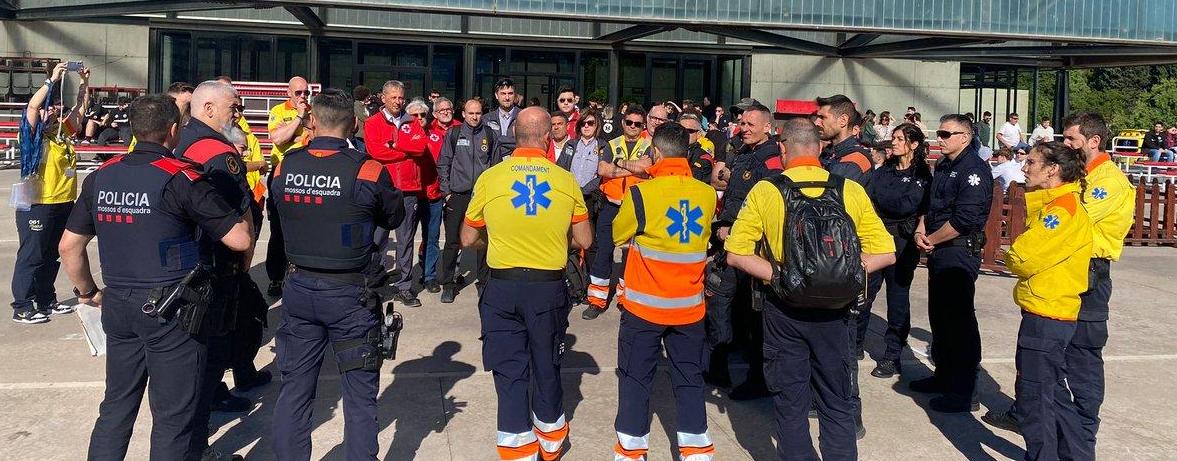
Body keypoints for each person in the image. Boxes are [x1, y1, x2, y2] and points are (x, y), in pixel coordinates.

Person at [59, 93, 253, 461]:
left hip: (117, 303)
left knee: (116, 407)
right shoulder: (181, 178)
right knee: (173, 418)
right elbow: (239, 238)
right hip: (172, 311)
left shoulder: (102, 174)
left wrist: (87, 293)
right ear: (173, 130)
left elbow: (69, 247)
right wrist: (239, 199)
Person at [726, 119, 896, 461]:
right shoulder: (849, 190)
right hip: (836, 314)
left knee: (791, 403)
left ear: (784, 149)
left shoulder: (767, 189)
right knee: (837, 400)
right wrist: (841, 274)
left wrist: (779, 276)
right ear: (819, 149)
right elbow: (886, 252)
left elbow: (736, 254)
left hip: (784, 310)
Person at [270, 89, 405, 461]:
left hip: (298, 289)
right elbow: (394, 216)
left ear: (311, 121)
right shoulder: (368, 168)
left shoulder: (286, 165)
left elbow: (277, 207)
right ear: (356, 124)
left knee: (295, 389)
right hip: (350, 294)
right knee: (359, 393)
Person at [988, 113, 1133, 459]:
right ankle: (1056, 433)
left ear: (1093, 141)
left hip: (1087, 274)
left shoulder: (1107, 181)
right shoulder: (1080, 179)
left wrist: (1023, 253)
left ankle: (1080, 442)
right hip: (1063, 272)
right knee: (1048, 375)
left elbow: (1067, 223)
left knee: (1078, 364)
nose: (1065, 145)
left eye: (1070, 140)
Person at [460, 107, 591, 461]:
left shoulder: (491, 177)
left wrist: (498, 240)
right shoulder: (565, 180)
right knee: (546, 364)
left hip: (501, 287)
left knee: (508, 368)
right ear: (548, 137)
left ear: (514, 136)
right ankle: (550, 443)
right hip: (547, 288)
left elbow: (468, 238)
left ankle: (518, 449)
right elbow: (584, 238)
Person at [974, 142, 1093, 460]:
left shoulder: (1061, 210)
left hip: (1047, 314)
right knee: (1052, 394)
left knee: (1035, 399)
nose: (1024, 167)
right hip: (1048, 312)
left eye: (1031, 162)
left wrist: (1012, 252)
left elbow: (1024, 256)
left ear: (1053, 169)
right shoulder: (1054, 205)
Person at [610, 122, 717, 460]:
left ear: (655, 152)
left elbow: (617, 234)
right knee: (689, 379)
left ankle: (631, 452)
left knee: (635, 379)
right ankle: (696, 452)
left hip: (644, 309)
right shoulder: (707, 194)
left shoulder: (641, 194)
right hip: (690, 309)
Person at [176, 81, 262, 459]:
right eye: (233, 107)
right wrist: (246, 253)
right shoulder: (216, 150)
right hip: (216, 266)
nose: (237, 114)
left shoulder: (179, 140)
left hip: (190, 262)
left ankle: (214, 397)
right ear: (208, 108)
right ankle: (198, 444)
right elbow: (238, 213)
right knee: (209, 355)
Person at [910, 114, 995, 412]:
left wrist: (932, 237)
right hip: (940, 248)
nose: (940, 138)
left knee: (959, 323)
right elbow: (932, 204)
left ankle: (964, 391)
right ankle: (944, 376)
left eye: (947, 134)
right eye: (939, 133)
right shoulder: (945, 165)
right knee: (940, 317)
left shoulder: (974, 169)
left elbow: (965, 219)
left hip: (958, 250)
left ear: (965, 137)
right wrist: (923, 228)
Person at [705, 103, 782, 400]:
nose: (744, 128)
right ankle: (720, 368)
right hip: (729, 243)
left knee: (752, 314)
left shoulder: (771, 158)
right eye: (742, 123)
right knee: (725, 305)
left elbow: (768, 205)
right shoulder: (743, 153)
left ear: (767, 127)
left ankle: (757, 379)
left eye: (751, 124)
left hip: (750, 247)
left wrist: (734, 230)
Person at [11, 62, 87, 324]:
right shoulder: (31, 136)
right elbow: (33, 107)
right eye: (49, 107)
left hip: (63, 201)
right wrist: (51, 80)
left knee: (52, 254)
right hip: (38, 203)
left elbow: (78, 113)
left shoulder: (60, 134)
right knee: (32, 255)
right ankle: (22, 304)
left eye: (54, 107)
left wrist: (83, 84)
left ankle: (45, 299)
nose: (52, 110)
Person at [862, 123, 932, 379]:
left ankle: (893, 354)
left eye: (900, 139)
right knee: (865, 291)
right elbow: (870, 197)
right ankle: (856, 343)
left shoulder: (922, 174)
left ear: (913, 144)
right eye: (894, 137)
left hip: (903, 241)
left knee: (897, 297)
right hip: (878, 237)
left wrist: (886, 206)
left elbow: (908, 204)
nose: (894, 142)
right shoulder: (885, 171)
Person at [365, 83, 429, 307]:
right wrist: (405, 150)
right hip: (383, 189)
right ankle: (375, 285)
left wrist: (394, 144)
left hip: (409, 189)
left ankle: (404, 286)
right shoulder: (373, 123)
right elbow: (375, 151)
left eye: (401, 97)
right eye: (393, 97)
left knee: (406, 240)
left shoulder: (412, 121)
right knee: (378, 239)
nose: (397, 101)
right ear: (383, 98)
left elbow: (421, 148)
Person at [583, 106, 651, 320]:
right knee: (603, 251)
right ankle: (596, 300)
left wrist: (618, 165)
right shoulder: (612, 144)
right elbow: (603, 170)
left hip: (635, 208)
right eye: (629, 122)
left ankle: (625, 298)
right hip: (610, 206)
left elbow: (647, 167)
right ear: (623, 123)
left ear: (643, 126)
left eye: (637, 124)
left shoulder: (649, 146)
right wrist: (632, 168)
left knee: (632, 254)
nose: (633, 126)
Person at [437, 98, 497, 303]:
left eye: (478, 113)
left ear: (482, 114)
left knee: (482, 242)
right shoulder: (453, 134)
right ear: (463, 114)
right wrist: (446, 192)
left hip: (481, 197)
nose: (474, 117)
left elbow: (496, 166)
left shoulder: (489, 134)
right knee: (453, 241)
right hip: (458, 195)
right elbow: (443, 163)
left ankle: (483, 282)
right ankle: (448, 284)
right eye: (470, 113)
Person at [264, 76, 312, 296]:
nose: (303, 97)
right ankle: (275, 276)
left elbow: (316, 137)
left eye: (306, 93)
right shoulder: (279, 111)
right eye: (299, 93)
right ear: (289, 93)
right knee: (278, 228)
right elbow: (278, 139)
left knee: (304, 226)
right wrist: (299, 120)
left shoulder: (314, 111)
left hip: (306, 173)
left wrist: (295, 132)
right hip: (282, 173)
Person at [420, 97, 459, 294]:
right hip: (433, 191)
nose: (446, 112)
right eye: (441, 109)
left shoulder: (461, 128)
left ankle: (452, 272)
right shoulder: (427, 130)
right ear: (434, 113)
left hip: (457, 191)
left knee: (456, 236)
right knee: (432, 236)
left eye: (449, 108)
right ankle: (429, 275)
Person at [814, 95, 873, 186]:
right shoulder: (828, 152)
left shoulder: (856, 160)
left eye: (823, 117)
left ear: (843, 120)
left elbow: (830, 195)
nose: (817, 122)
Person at [483, 78, 519, 160]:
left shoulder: (523, 117)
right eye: (503, 93)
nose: (507, 97)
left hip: (516, 165)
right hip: (493, 165)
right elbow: (485, 144)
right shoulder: (486, 119)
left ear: (515, 95)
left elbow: (523, 143)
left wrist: (498, 141)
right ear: (496, 95)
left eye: (510, 93)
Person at [679, 114, 716, 183]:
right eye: (680, 130)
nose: (683, 134)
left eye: (689, 131)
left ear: (698, 134)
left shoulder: (704, 158)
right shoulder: (669, 153)